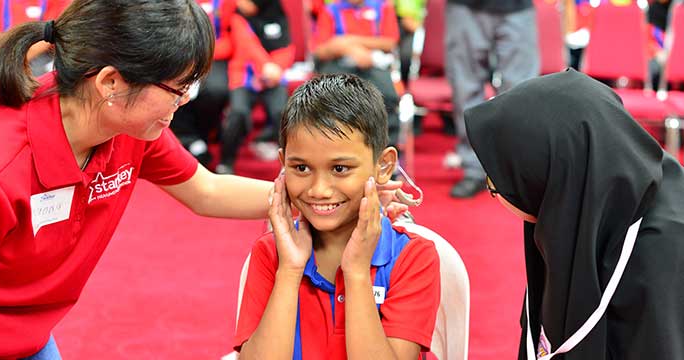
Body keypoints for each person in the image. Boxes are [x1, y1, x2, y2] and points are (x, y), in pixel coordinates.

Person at [0, 1, 408, 358]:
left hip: (32, 337)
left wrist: (339, 197)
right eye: (178, 86)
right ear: (111, 83)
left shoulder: (127, 129)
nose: (189, 98)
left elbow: (205, 190)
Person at [465, 69, 684, 359]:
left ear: (542, 180)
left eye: (499, 185)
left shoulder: (658, 252)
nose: (494, 188)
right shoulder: (581, 196)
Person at [234, 73, 441, 359]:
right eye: (302, 168)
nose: (319, 190)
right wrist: (291, 271)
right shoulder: (271, 253)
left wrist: (356, 273)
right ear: (283, 165)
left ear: (383, 166)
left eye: (340, 169)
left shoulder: (413, 257)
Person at [444, 0, 539, 198]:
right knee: (465, 87)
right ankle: (473, 168)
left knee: (521, 92)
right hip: (465, 6)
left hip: (518, 7)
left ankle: (516, 170)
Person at [217, 0, 295, 174]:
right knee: (238, 113)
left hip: (274, 75)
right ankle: (225, 162)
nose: (240, 2)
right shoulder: (238, 16)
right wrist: (265, 67)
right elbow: (246, 43)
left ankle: (289, 165)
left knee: (281, 112)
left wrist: (276, 69)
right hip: (245, 74)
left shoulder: (278, 14)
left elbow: (288, 47)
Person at [312, 0, 402, 146]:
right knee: (330, 97)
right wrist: (346, 49)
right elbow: (320, 51)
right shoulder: (331, 10)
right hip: (338, 63)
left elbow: (390, 42)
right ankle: (333, 147)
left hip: (373, 63)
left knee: (387, 95)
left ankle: (387, 148)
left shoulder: (382, 7)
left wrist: (350, 41)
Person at [169, 0, 238, 167]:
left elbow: (236, 31)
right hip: (179, 53)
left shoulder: (227, 3)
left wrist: (210, 50)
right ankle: (190, 139)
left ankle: (203, 136)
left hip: (216, 55)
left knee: (216, 90)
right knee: (172, 84)